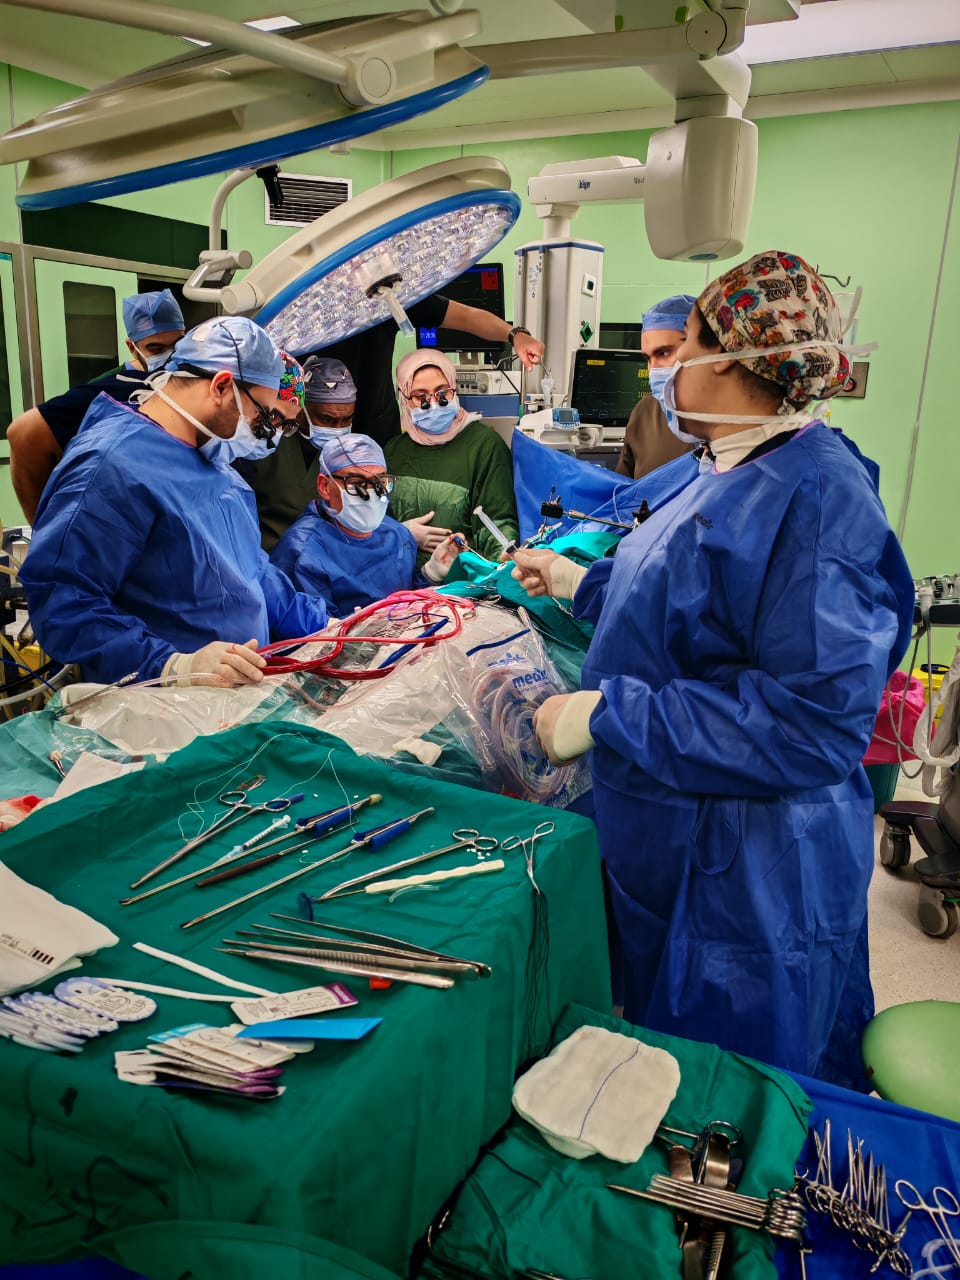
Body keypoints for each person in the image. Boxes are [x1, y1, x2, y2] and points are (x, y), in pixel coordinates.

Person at [511, 250, 916, 1089]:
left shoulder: (816, 498)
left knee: (733, 1098)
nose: (666, 369)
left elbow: (811, 724)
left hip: (750, 872)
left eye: (682, 344)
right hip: (673, 826)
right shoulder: (728, 463)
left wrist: (604, 715)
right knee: (659, 1058)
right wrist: (582, 583)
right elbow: (691, 603)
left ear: (731, 358)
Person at [21, 317, 329, 688]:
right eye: (265, 418)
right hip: (158, 701)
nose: (269, 437)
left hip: (230, 696)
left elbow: (252, 572)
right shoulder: (111, 465)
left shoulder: (216, 461)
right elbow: (64, 603)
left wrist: (328, 628)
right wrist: (173, 666)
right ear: (221, 386)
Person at [8, 289, 186, 524]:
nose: (170, 357)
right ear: (132, 347)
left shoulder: (187, 378)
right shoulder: (109, 391)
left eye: (178, 345)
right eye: (156, 349)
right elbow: (23, 434)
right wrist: (44, 526)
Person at [303, 293, 545, 448]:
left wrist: (515, 335)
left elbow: (467, 317)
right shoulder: (302, 305)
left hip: (375, 434)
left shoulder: (386, 298)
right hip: (312, 432)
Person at [270, 432, 462, 615]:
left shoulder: (395, 533)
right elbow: (317, 630)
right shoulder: (301, 555)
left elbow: (402, 598)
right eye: (356, 483)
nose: (371, 494)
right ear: (324, 486)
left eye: (379, 482)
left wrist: (430, 574)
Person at [386, 349, 519, 564]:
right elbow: (373, 524)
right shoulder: (394, 451)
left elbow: (498, 521)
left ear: (454, 390)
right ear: (404, 398)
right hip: (399, 575)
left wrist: (499, 563)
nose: (434, 403)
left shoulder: (485, 446)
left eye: (442, 393)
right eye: (421, 397)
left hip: (461, 575)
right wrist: (399, 534)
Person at [615, 292, 698, 480]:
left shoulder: (732, 415)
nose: (653, 369)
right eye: (647, 358)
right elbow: (622, 490)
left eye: (664, 353)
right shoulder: (646, 412)